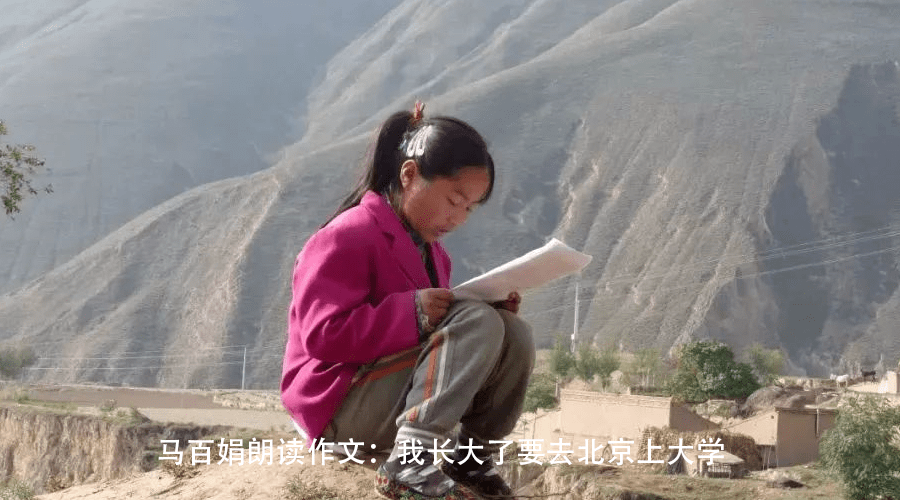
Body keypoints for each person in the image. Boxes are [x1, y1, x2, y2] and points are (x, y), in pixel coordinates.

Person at [281, 102, 535, 500]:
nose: (458, 218)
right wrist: (412, 312)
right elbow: (322, 336)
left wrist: (489, 316)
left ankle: (470, 460)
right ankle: (409, 462)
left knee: (511, 331)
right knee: (478, 322)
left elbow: (437, 338)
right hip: (337, 408)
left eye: (469, 208)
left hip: (383, 401)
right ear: (409, 174)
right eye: (453, 200)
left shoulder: (436, 255)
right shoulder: (347, 235)